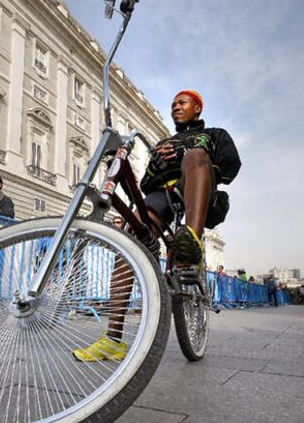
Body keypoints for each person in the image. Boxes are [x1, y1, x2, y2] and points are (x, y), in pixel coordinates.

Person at [73, 89, 241, 362]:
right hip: (161, 196)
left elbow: (230, 167)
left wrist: (184, 151)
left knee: (195, 155)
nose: (175, 107)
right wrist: (157, 161)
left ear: (197, 108)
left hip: (197, 186)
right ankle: (113, 339)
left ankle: (191, 242)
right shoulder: (163, 142)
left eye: (182, 103)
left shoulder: (214, 134)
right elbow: (146, 184)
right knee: (129, 244)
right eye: (173, 104)